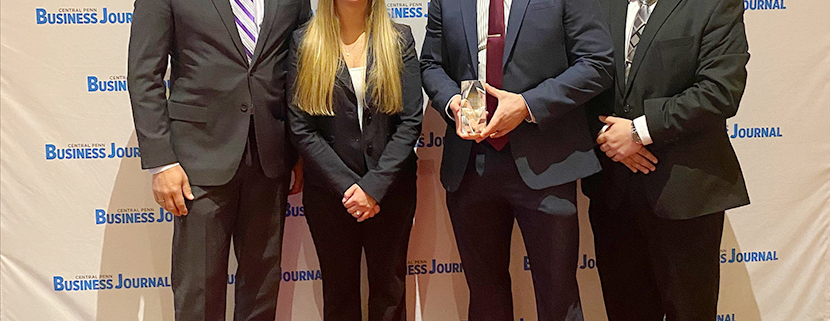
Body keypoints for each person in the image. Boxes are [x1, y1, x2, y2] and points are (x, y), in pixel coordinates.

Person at [420, 0, 614, 319]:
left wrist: (527, 105)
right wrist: (454, 102)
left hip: (548, 162)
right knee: (484, 298)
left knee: (558, 298)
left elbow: (597, 62)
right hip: (470, 165)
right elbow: (431, 64)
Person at [127, 0, 309, 319]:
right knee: (199, 288)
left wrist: (298, 148)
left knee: (262, 285)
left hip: (271, 156)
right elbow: (144, 75)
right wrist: (162, 162)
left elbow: (300, 66)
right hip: (197, 160)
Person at [582, 0, 751, 319]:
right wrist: (609, 137)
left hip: (685, 195)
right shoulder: (598, 5)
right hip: (613, 194)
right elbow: (578, 79)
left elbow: (720, 90)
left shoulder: (714, 6)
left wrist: (637, 132)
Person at [287, 0, 423, 319]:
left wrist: (373, 187)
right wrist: (352, 189)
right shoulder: (304, 42)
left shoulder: (399, 39)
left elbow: (410, 121)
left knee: (390, 295)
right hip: (330, 195)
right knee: (339, 296)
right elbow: (301, 127)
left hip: (391, 191)